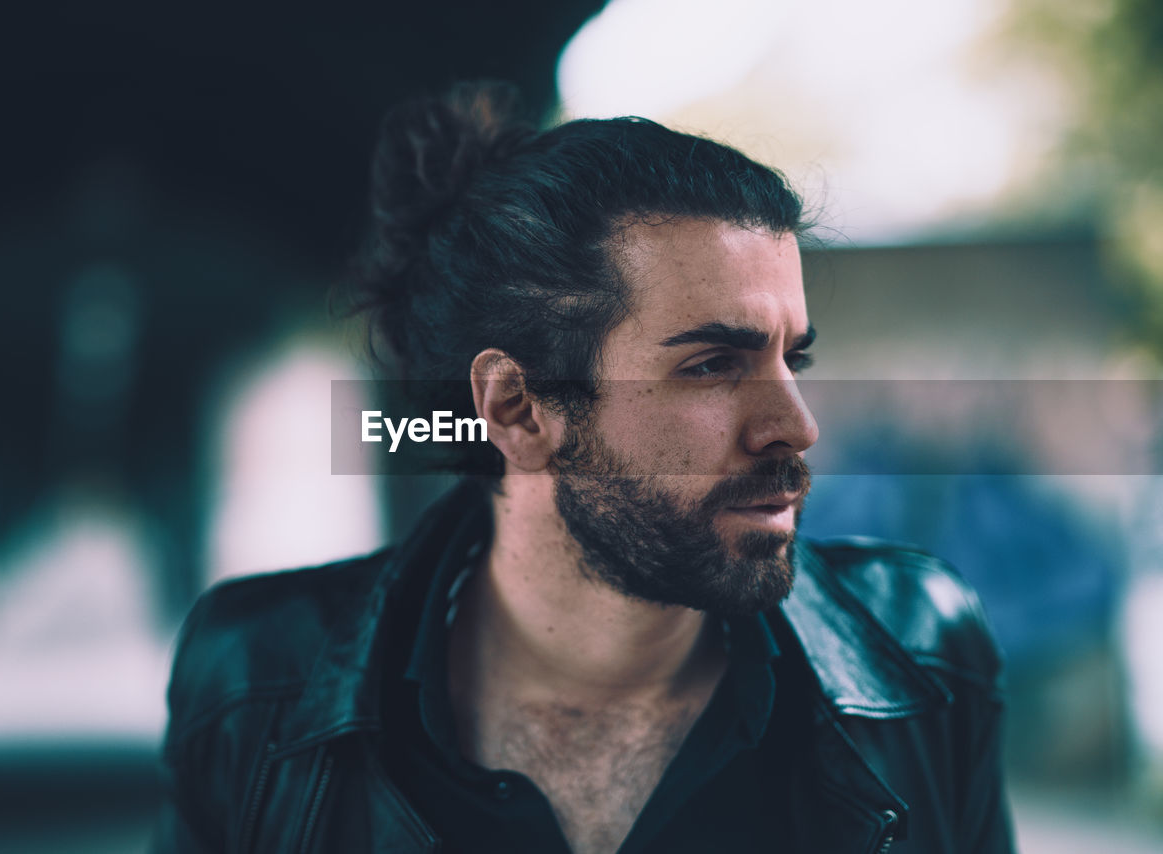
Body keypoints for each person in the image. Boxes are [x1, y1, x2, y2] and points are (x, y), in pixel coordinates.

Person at [155, 82, 1014, 853]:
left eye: (796, 360)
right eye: (713, 365)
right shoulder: (256, 684)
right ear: (518, 409)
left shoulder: (924, 658)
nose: (797, 425)